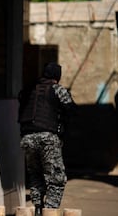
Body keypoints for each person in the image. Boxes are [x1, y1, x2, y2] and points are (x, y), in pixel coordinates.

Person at [18, 62, 75, 216]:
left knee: (35, 174)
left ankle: (37, 208)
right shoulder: (57, 89)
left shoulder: (30, 90)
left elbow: (22, 103)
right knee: (56, 178)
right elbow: (71, 109)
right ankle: (49, 211)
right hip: (48, 138)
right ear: (57, 76)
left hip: (27, 138)